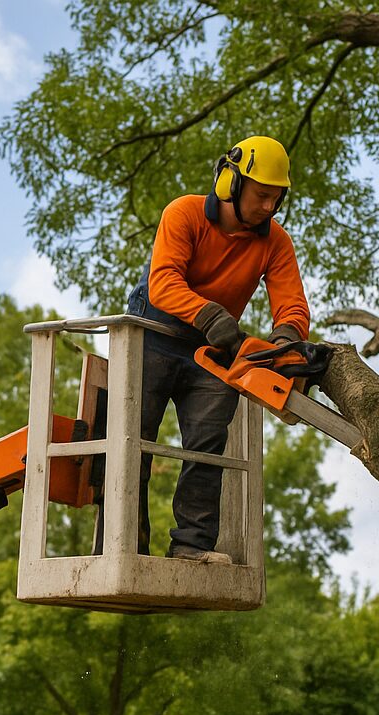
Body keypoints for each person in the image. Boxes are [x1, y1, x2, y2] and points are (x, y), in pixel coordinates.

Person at [127, 134, 310, 563]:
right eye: (262, 195)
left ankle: (191, 545)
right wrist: (211, 316)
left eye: (276, 198)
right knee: (132, 441)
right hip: (152, 331)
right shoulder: (184, 213)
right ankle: (124, 546)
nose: (269, 206)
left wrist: (284, 343)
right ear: (231, 182)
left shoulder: (276, 242)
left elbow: (292, 306)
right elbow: (165, 283)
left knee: (207, 444)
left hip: (213, 347)